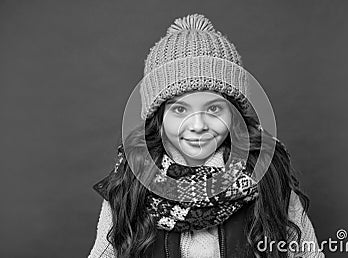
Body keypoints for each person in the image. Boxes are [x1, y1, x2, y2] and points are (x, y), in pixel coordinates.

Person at [88, 13, 324, 258]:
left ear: (234, 115)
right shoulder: (130, 184)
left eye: (213, 108)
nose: (198, 125)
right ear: (158, 119)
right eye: (180, 109)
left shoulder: (268, 177)